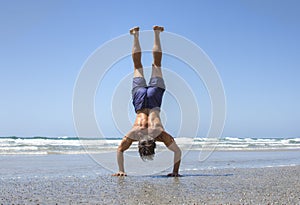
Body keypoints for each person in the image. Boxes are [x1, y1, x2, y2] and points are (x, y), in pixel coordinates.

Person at [112, 26, 181, 177]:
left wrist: (175, 172)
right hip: (140, 99)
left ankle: (156, 33)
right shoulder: (134, 134)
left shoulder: (160, 134)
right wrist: (121, 170)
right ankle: (135, 35)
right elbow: (120, 150)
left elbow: (178, 152)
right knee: (137, 66)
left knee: (156, 64)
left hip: (155, 98)